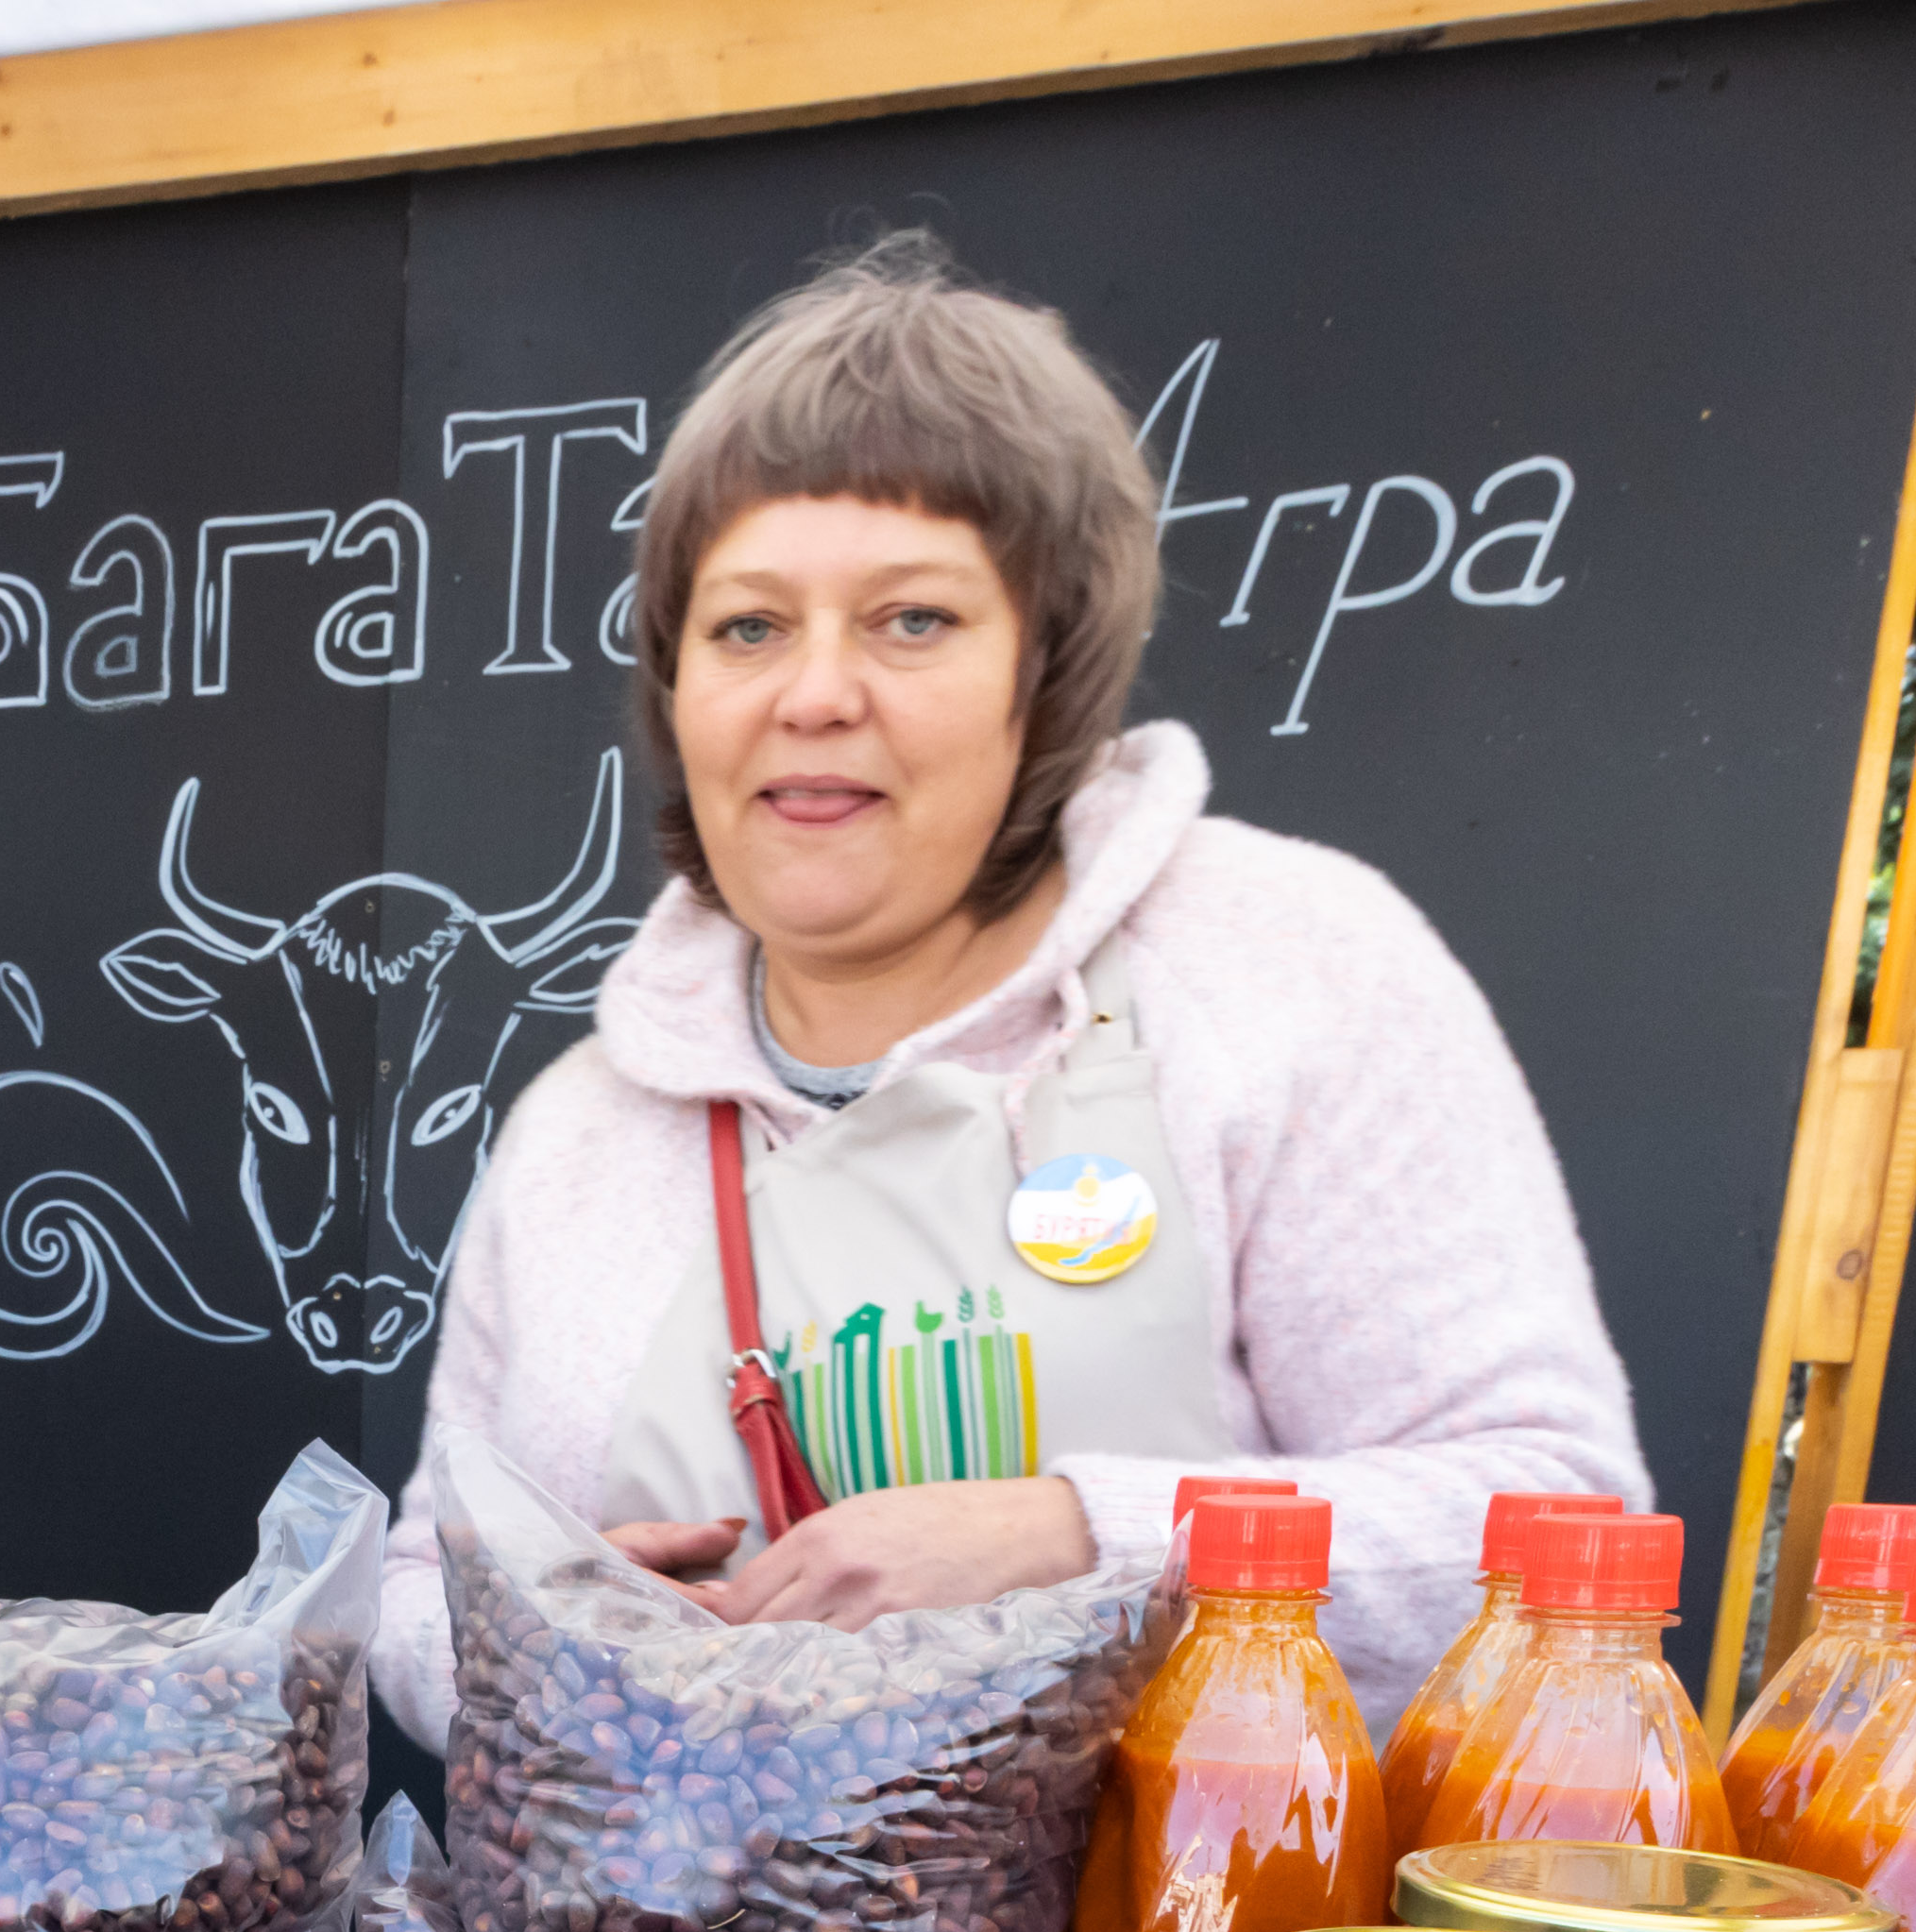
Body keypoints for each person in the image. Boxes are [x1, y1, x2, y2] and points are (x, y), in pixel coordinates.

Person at [379, 236, 1645, 1745]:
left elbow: (1551, 1526)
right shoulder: (578, 1124)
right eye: (748, 626)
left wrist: (1070, 1539)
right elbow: (417, 1579)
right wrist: (532, 1646)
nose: (814, 692)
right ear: (677, 690)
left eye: (913, 619)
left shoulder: (1288, 965)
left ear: (1047, 676)